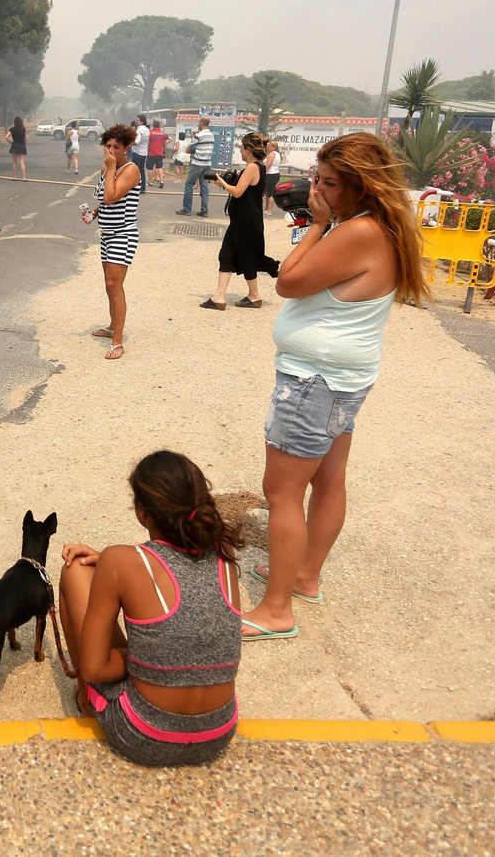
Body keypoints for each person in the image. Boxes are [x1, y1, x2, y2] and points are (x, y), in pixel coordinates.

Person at [242, 133, 428, 642]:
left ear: (358, 186)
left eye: (328, 183)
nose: (316, 190)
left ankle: (276, 610)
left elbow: (287, 280)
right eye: (316, 180)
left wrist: (317, 226)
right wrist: (326, 221)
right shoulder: (381, 227)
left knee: (281, 492)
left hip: (313, 380)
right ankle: (303, 575)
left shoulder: (356, 231)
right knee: (329, 479)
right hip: (342, 377)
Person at [57, 450, 243, 767]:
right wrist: (168, 655)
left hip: (145, 736)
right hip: (218, 734)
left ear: (142, 513)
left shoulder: (120, 561)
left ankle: (86, 703)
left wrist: (150, 657)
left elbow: (96, 668)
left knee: (74, 569)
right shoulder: (223, 551)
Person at [200, 133, 278, 310]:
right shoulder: (260, 167)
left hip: (245, 221)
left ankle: (233, 296)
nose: (241, 152)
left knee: (235, 254)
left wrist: (222, 184)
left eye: (242, 148)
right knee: (238, 254)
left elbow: (237, 192)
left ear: (248, 149)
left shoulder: (251, 167)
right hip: (247, 220)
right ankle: (241, 296)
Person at [86, 124, 141, 360]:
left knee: (114, 286)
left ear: (126, 148)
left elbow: (112, 195)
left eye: (116, 147)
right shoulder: (106, 168)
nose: (110, 151)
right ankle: (111, 326)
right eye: (107, 146)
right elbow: (105, 200)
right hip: (107, 233)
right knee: (109, 285)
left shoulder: (130, 170)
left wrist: (110, 169)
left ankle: (118, 341)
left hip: (123, 233)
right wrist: (96, 212)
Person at [176, 117, 215, 217]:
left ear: (201, 123)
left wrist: (194, 151)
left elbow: (188, 149)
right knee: (204, 187)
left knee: (189, 185)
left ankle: (187, 209)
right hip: (207, 164)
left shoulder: (198, 135)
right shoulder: (212, 136)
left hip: (197, 163)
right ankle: (204, 210)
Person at [146, 120, 168, 188]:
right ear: (159, 126)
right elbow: (164, 145)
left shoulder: (151, 133)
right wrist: (164, 153)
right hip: (159, 153)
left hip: (151, 153)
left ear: (153, 125)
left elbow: (148, 143)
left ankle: (150, 182)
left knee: (150, 168)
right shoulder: (163, 134)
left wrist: (147, 151)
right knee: (160, 167)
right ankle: (161, 181)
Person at [263, 137, 282, 215]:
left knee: (266, 192)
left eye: (269, 146)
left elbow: (268, 164)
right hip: (275, 174)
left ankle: (269, 209)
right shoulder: (278, 154)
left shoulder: (272, 154)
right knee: (269, 192)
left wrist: (263, 173)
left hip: (270, 174)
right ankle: (267, 209)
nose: (268, 147)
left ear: (274, 147)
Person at [130, 115, 150, 188]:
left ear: (142, 121)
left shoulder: (139, 129)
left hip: (137, 152)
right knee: (142, 170)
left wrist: (128, 145)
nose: (136, 121)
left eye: (138, 120)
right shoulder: (147, 129)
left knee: (136, 171)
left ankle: (135, 186)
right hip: (144, 152)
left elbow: (137, 141)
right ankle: (142, 187)